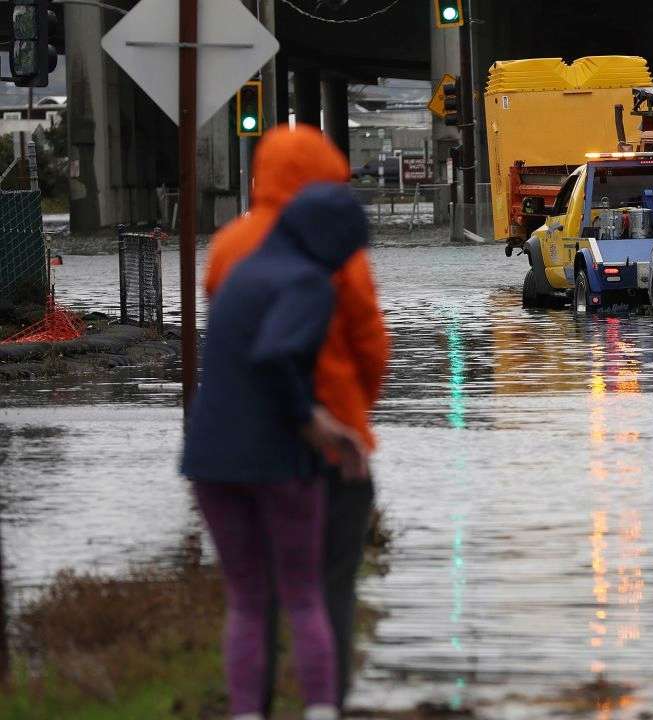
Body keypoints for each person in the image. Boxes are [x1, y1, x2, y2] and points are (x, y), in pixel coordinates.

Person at [205, 125, 390, 714]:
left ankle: (250, 706)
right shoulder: (335, 252)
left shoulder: (230, 244)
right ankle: (325, 703)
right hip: (328, 443)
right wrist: (353, 411)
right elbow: (371, 344)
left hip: (243, 440)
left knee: (250, 596)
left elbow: (226, 329)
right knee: (325, 589)